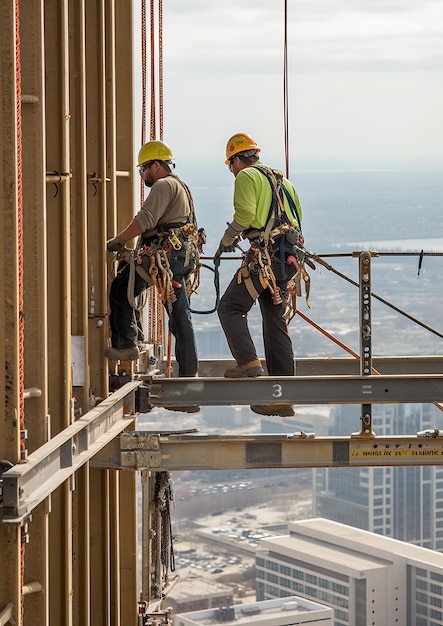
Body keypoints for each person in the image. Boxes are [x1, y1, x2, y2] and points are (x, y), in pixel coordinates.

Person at [216, 132, 306, 418]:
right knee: (274, 321)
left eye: (231, 165)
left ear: (237, 160)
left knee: (230, 307)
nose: (232, 172)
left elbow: (245, 216)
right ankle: (282, 397)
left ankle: (248, 362)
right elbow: (297, 218)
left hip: (266, 257)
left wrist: (227, 240)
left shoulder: (246, 177)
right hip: (287, 259)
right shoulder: (284, 181)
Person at [105, 140, 202, 396]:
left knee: (121, 288)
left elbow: (145, 220)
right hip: (180, 257)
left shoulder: (163, 184)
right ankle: (189, 375)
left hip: (166, 257)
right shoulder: (181, 185)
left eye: (143, 170)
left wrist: (119, 240)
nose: (142, 175)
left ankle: (126, 344)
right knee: (179, 314)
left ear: (156, 165)